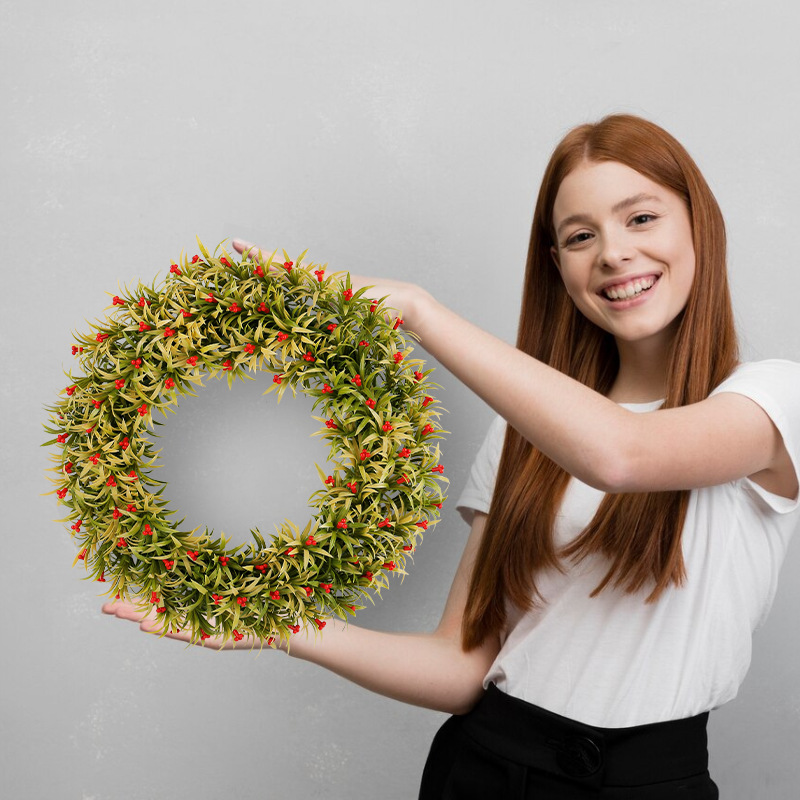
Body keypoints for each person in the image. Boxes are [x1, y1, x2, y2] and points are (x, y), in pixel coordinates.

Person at [103, 114, 800, 798]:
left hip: (652, 778)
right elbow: (460, 668)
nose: (613, 253)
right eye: (581, 236)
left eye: (641, 218)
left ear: (698, 224)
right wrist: (275, 625)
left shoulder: (772, 397)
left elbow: (623, 457)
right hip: (482, 768)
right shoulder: (526, 431)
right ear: (558, 267)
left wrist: (417, 311)